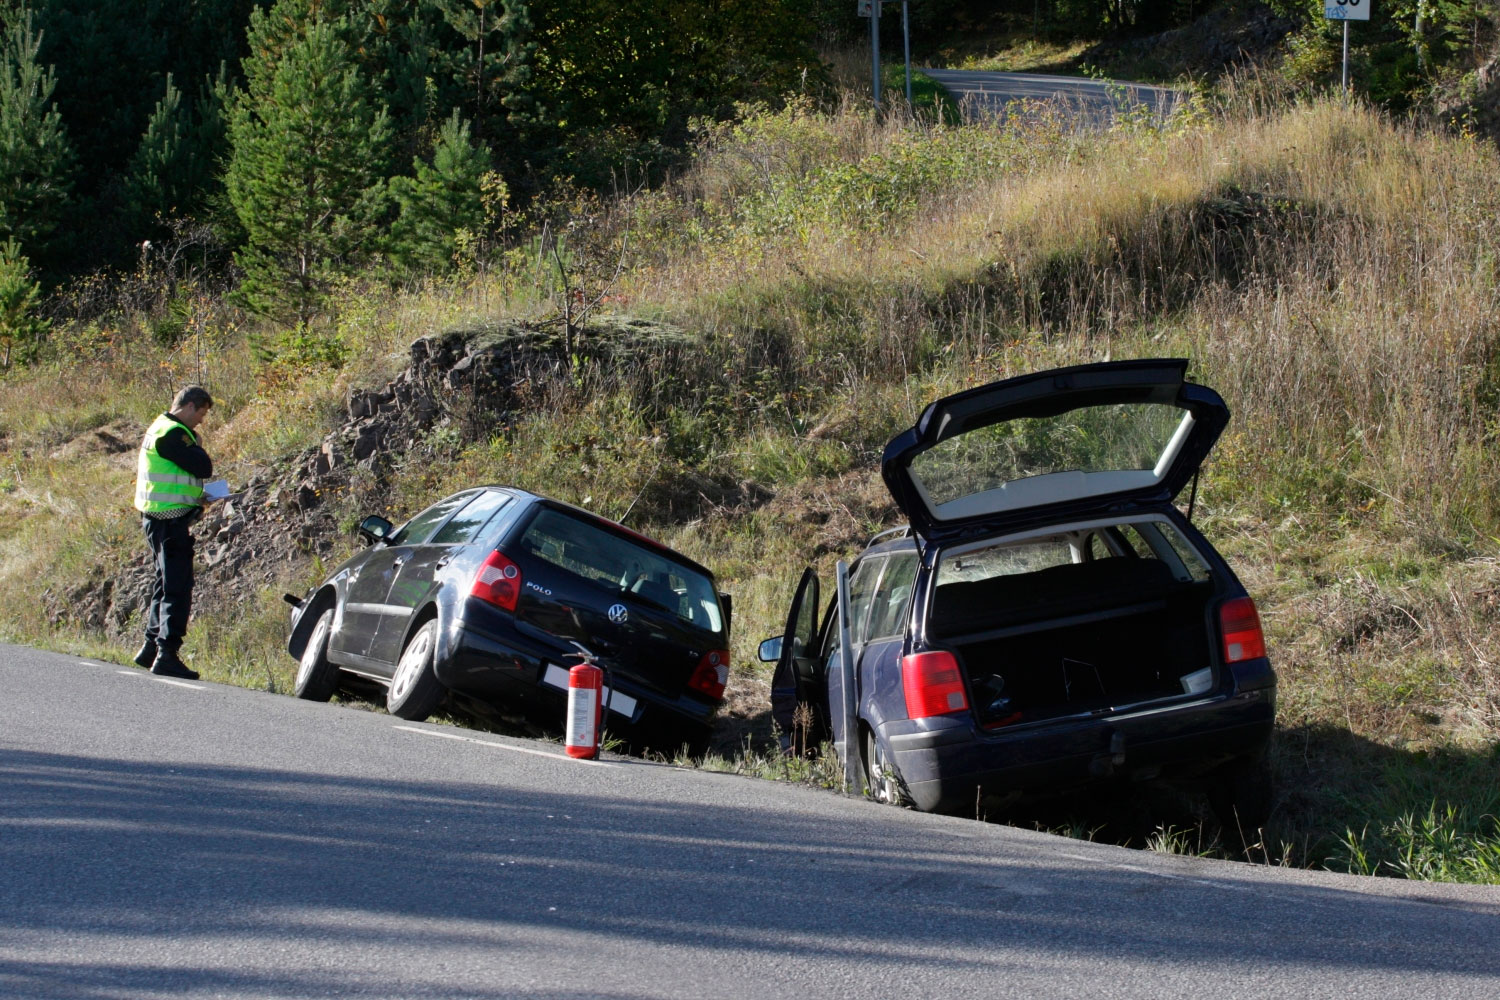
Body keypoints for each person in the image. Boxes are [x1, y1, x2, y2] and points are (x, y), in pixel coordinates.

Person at [133, 385, 217, 680]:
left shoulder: (158, 427)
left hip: (158, 517)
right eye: (202, 413)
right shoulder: (173, 433)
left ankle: (149, 647)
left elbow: (179, 474)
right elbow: (202, 465)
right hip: (169, 520)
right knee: (177, 588)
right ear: (191, 406)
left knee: (163, 583)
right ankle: (167, 653)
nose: (201, 421)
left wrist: (196, 495)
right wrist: (197, 444)